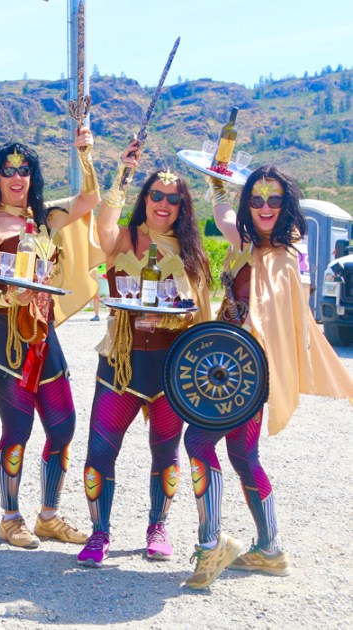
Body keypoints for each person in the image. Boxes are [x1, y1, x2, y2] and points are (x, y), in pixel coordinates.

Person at [182, 166, 353, 588]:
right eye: (256, 199)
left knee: (198, 441)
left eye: (273, 200)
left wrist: (245, 345)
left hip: (246, 374)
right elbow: (224, 216)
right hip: (230, 368)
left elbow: (273, 320)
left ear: (286, 204)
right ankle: (271, 549)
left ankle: (211, 545)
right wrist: (216, 183)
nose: (264, 207)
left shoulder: (284, 256)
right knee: (243, 454)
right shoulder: (247, 242)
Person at [77, 140, 212, 568]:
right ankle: (99, 533)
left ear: (182, 208)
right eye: (156, 195)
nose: (163, 204)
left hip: (169, 369)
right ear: (145, 199)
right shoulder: (124, 239)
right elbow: (102, 227)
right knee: (100, 452)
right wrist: (123, 174)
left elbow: (199, 315)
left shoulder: (191, 254)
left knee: (165, 453)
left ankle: (158, 527)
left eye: (173, 199)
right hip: (122, 363)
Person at [0, 128, 102, 550]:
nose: (17, 177)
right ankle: (10, 518)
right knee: (18, 427)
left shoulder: (47, 218)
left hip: (45, 334)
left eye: (24, 170)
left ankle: (48, 515)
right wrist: (13, 296)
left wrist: (85, 154)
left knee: (63, 426)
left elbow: (90, 200)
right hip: (5, 337)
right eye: (8, 170)